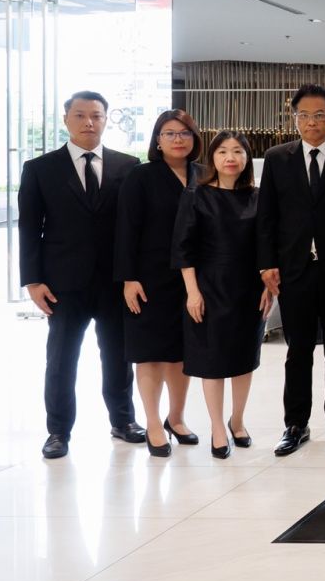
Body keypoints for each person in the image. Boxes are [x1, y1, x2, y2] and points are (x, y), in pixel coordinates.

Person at [19, 91, 145, 459]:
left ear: (106, 119)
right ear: (66, 119)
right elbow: (30, 227)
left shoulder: (128, 166)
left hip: (114, 281)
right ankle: (58, 431)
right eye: (79, 115)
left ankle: (123, 421)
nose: (88, 122)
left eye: (96, 115)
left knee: (118, 356)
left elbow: (135, 227)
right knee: (61, 358)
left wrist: (133, 274)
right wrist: (32, 280)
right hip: (63, 283)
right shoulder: (40, 168)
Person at [257, 82, 325, 456]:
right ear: (295, 119)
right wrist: (266, 264)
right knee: (298, 350)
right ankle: (295, 424)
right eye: (304, 115)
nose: (312, 122)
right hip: (295, 270)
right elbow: (267, 216)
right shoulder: (277, 158)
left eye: (320, 115)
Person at [173, 131, 272, 459]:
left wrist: (268, 287)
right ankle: (217, 427)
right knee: (211, 361)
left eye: (238, 151)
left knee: (244, 360)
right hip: (208, 288)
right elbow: (183, 249)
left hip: (249, 289)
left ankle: (237, 420)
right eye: (223, 151)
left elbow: (266, 246)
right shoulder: (196, 195)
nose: (231, 158)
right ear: (212, 158)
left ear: (247, 158)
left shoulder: (257, 196)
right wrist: (192, 293)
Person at [115, 109, 202, 456]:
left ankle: (176, 418)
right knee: (149, 354)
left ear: (194, 138)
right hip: (148, 278)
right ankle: (153, 423)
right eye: (170, 133)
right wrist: (128, 278)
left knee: (182, 353)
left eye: (184, 133)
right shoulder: (141, 176)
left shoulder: (204, 174)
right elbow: (126, 229)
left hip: (192, 279)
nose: (178, 139)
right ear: (157, 140)